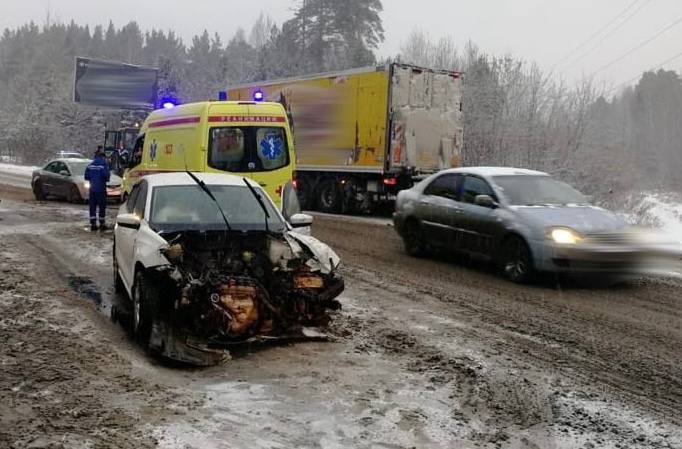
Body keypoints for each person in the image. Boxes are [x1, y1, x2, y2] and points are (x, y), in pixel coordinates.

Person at [84, 147, 110, 231]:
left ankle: (93, 224)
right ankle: (102, 223)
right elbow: (106, 176)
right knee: (102, 206)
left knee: (92, 206)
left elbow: (86, 177)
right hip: (101, 189)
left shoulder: (90, 165)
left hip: (92, 189)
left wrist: (93, 180)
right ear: (102, 157)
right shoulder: (103, 165)